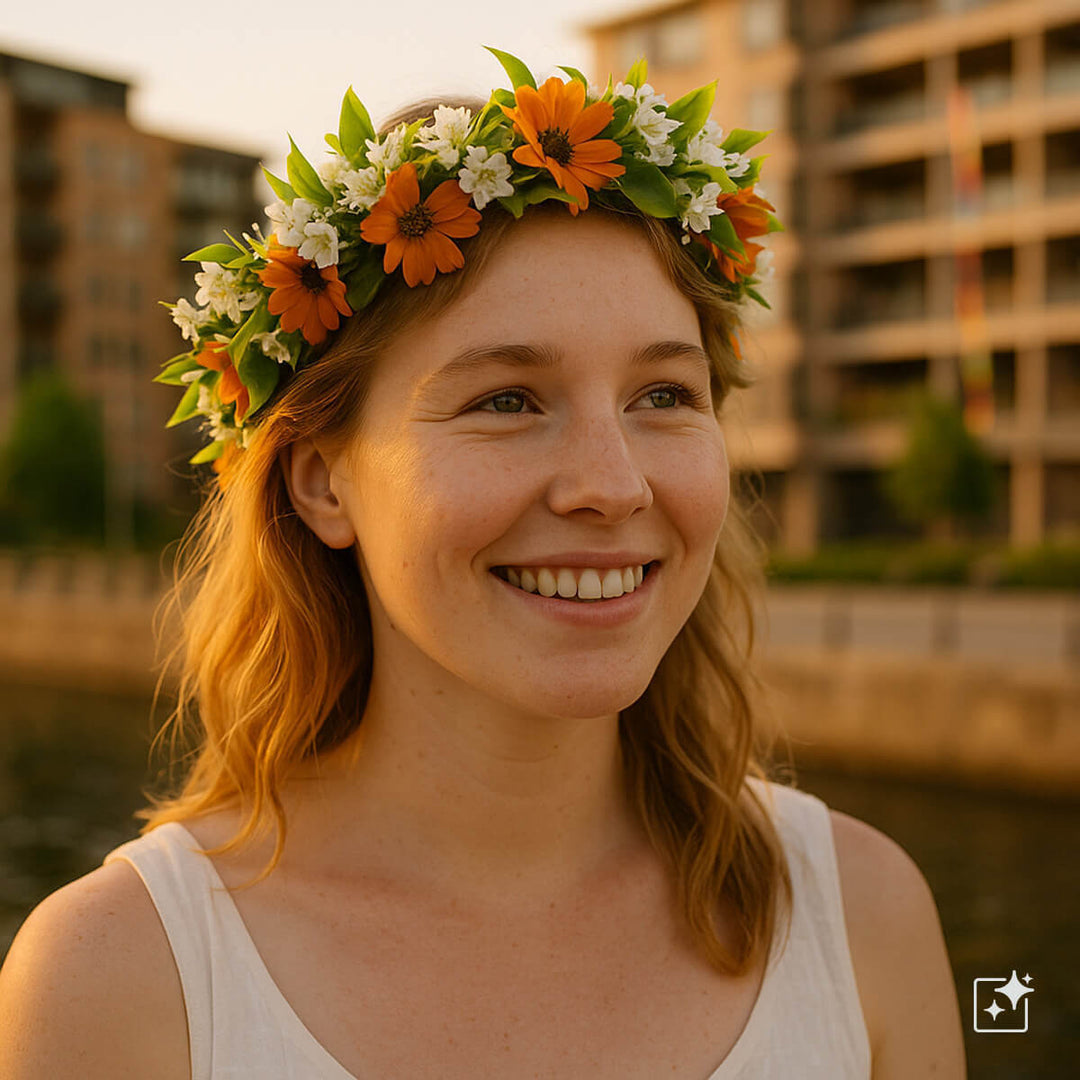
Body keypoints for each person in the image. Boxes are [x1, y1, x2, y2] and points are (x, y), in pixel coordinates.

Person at [0, 48, 966, 1079]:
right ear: (324, 483)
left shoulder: (864, 918)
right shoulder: (118, 983)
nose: (615, 483)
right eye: (507, 400)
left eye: (664, 395)